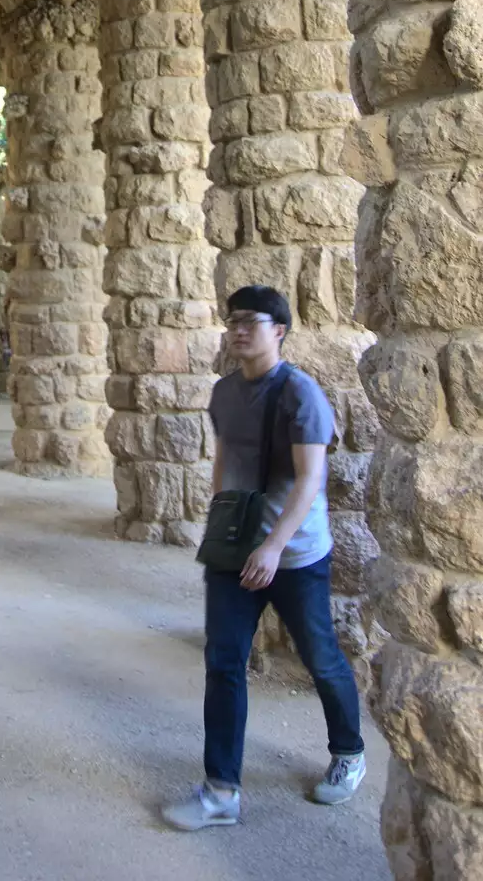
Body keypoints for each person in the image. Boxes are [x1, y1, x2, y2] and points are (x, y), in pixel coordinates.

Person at [163, 284, 366, 831]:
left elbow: (310, 478)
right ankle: (221, 791)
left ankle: (348, 750)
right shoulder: (225, 392)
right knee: (223, 661)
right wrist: (220, 517)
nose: (238, 329)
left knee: (319, 654)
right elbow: (226, 455)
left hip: (295, 551)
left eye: (251, 320)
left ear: (279, 330)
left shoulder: (301, 395)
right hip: (235, 549)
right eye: (232, 320)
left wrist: (273, 546)